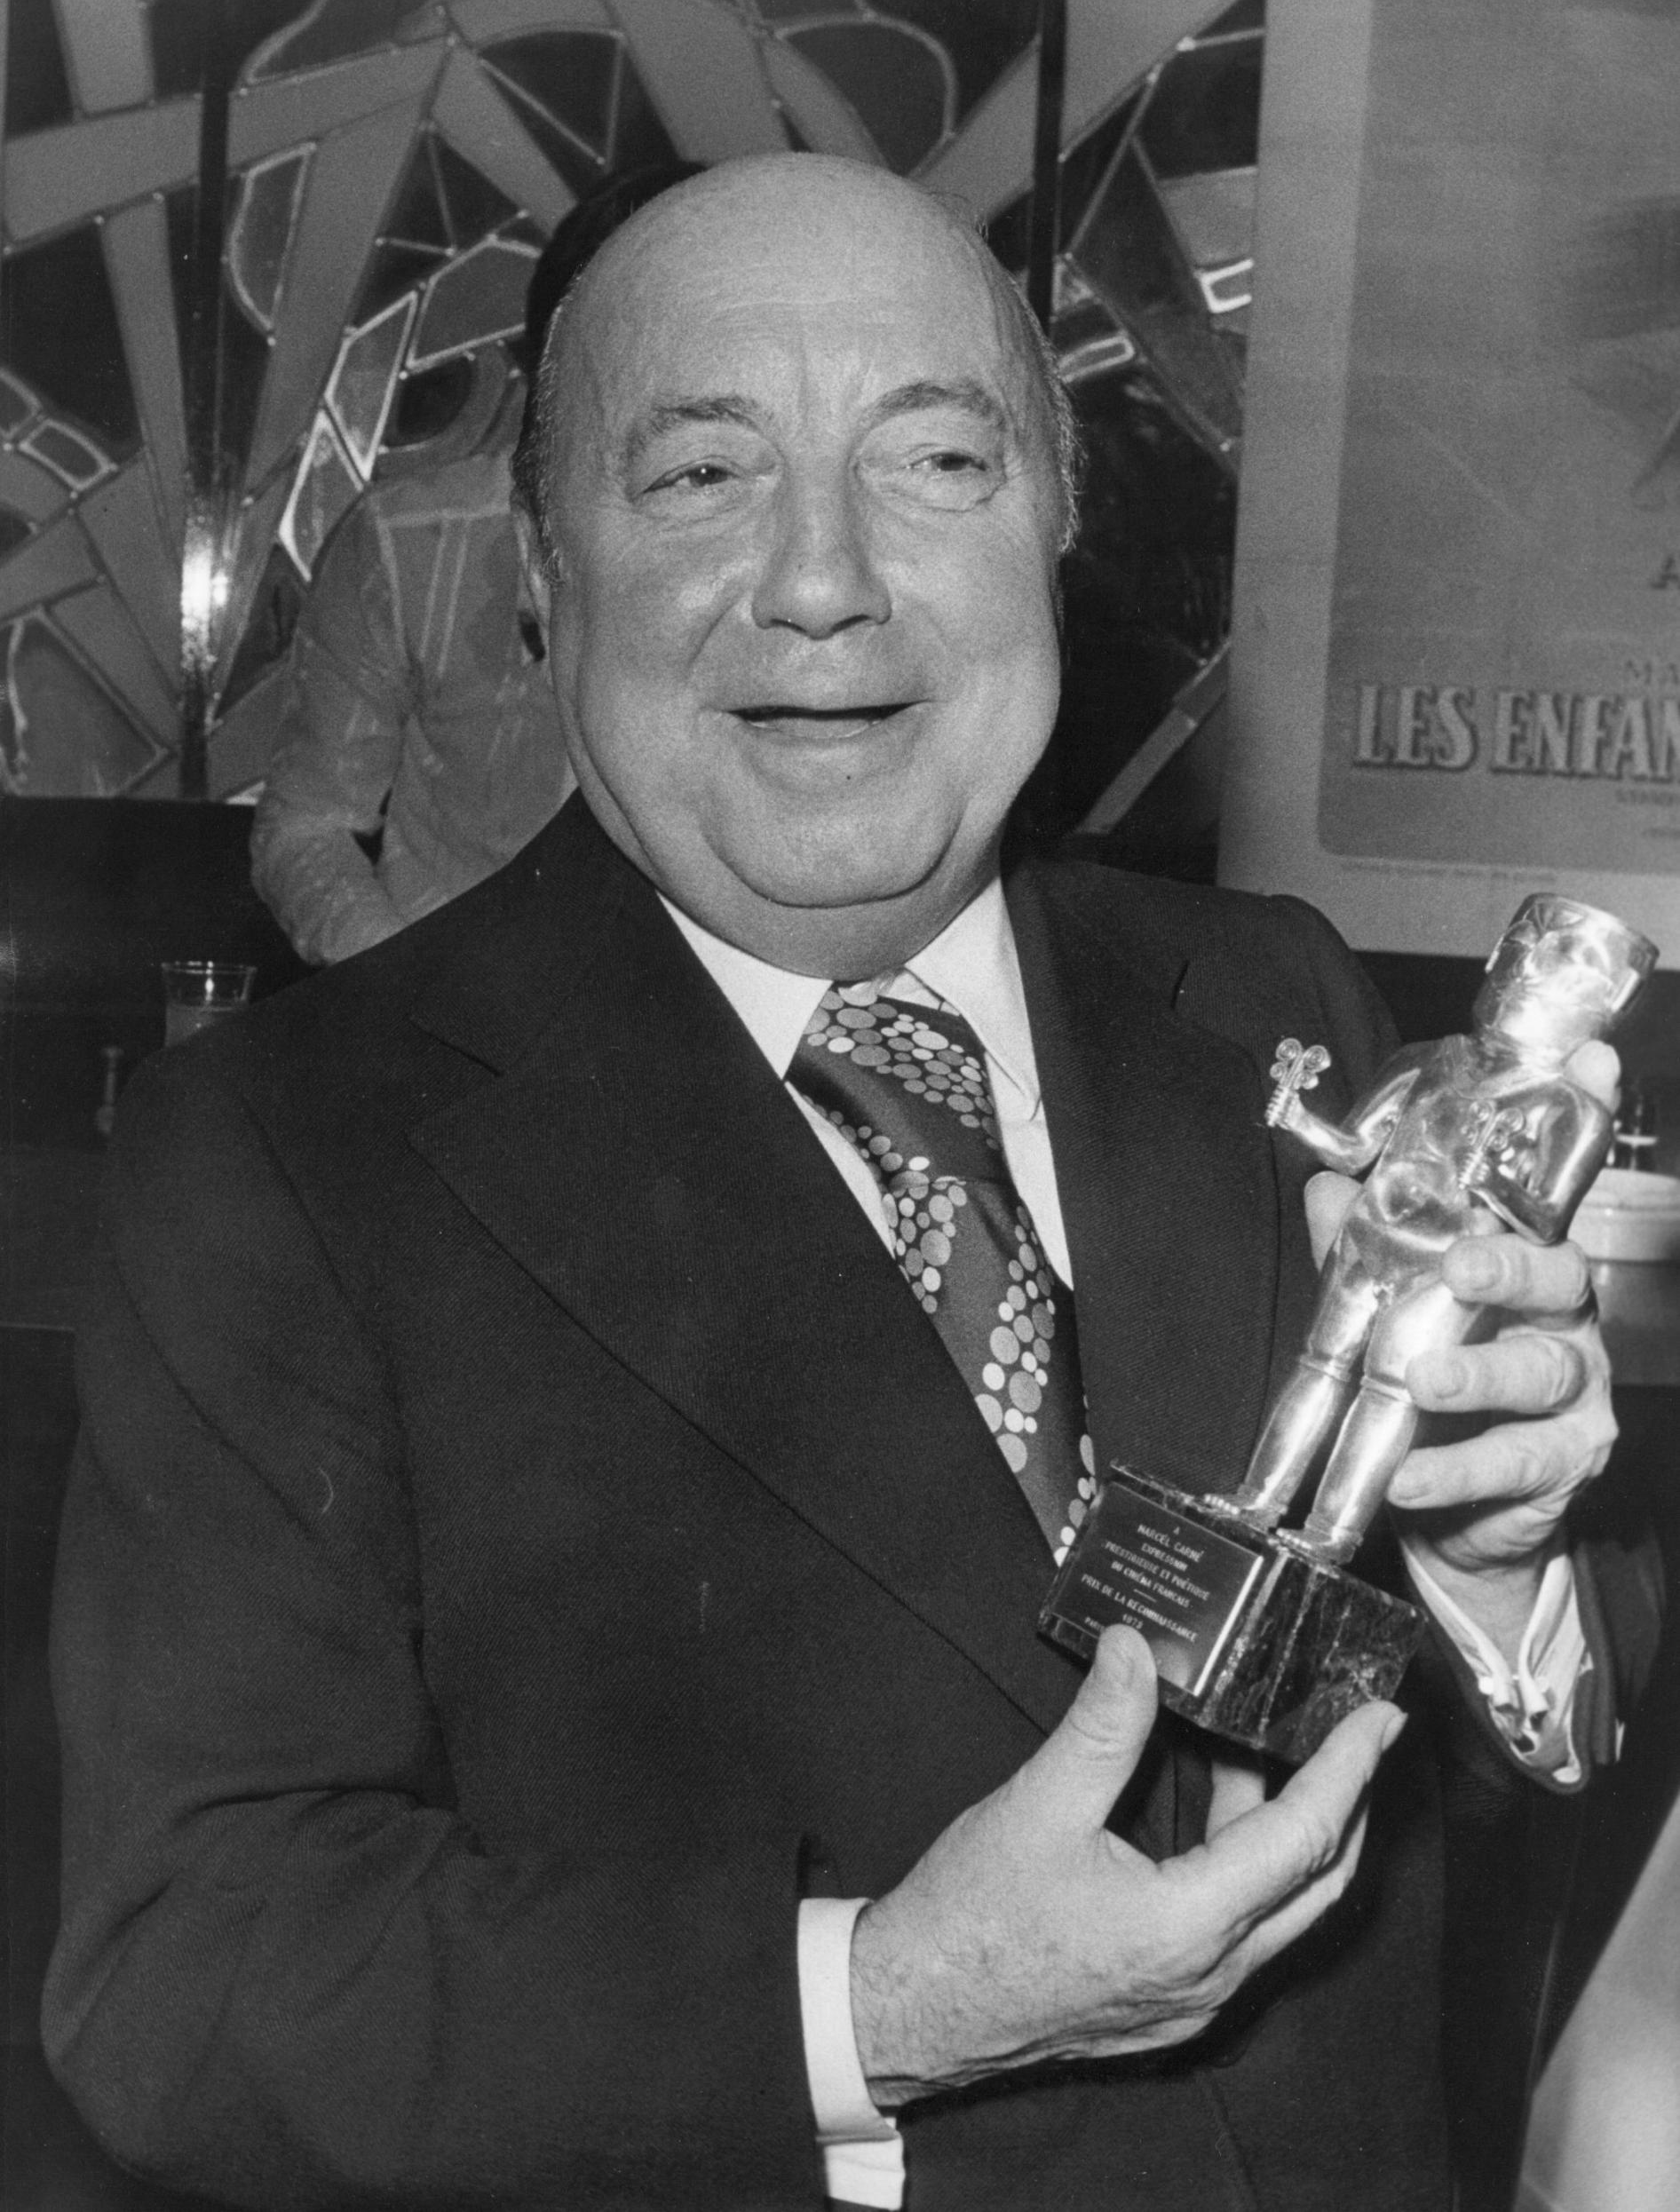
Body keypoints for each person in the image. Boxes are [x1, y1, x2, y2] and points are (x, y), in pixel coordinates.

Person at [47, 156, 1660, 2211]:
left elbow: (1529, 1754)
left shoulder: (1275, 1002)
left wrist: (1506, 1566)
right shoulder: (285, 1155)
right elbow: (183, 1983)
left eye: (937, 462)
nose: (823, 580)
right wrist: (874, 2007)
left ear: (1059, 531)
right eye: (702, 477)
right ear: (540, 570)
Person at [249, 163, 699, 965]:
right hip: (453, 1020)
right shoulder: (407, 538)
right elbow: (308, 823)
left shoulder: (798, 569)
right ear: (545, 372)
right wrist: (407, 988)